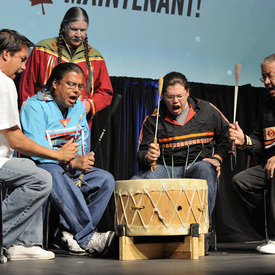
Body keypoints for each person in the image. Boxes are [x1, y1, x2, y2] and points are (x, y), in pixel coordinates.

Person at [20, 62, 115, 257]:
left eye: (80, 86)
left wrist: (83, 160)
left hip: (69, 169)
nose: (77, 91)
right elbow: (36, 150)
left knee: (105, 179)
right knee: (52, 172)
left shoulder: (78, 107)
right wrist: (71, 163)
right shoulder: (34, 106)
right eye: (71, 84)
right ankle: (87, 236)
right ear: (55, 83)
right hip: (40, 168)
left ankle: (67, 233)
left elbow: (82, 142)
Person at [0, 29, 79, 263]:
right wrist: (58, 154)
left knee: (28, 165)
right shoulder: (3, 81)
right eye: (22, 59)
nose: (24, 67)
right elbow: (14, 138)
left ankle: (23, 243)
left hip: (5, 159)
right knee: (41, 178)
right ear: (6, 54)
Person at [132, 72, 231, 251]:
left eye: (180, 96)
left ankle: (202, 234)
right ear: (163, 97)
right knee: (136, 184)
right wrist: (148, 157)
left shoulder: (207, 110)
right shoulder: (153, 119)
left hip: (196, 165)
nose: (175, 101)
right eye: (170, 97)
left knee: (206, 169)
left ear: (188, 93)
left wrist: (217, 158)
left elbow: (228, 137)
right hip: (164, 167)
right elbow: (141, 152)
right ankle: (142, 239)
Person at [19, 6, 113, 152]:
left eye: (83, 30)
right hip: (42, 123)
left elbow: (106, 91)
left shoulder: (95, 57)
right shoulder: (44, 49)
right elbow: (27, 84)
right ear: (63, 27)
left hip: (77, 126)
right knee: (46, 166)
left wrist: (89, 104)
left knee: (77, 166)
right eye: (74, 29)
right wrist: (28, 112)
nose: (78, 34)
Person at [229, 53, 275, 254]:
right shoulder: (266, 108)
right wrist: (244, 140)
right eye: (263, 78)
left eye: (270, 76)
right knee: (241, 181)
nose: (266, 82)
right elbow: (259, 141)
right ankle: (267, 232)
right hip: (269, 166)